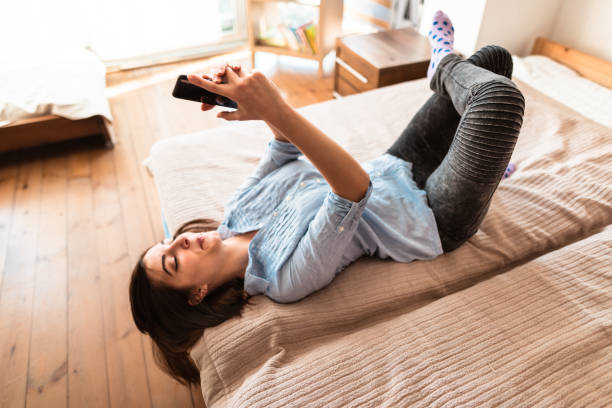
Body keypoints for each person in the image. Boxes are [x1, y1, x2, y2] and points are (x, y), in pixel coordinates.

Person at [129, 10, 525, 385]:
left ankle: (485, 165)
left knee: (494, 59)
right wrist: (278, 108)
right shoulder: (283, 280)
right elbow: (353, 189)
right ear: (197, 295)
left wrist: (254, 103)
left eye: (167, 242)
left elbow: (283, 148)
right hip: (431, 216)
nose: (179, 240)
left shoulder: (237, 210)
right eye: (172, 261)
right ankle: (442, 68)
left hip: (394, 165)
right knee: (499, 101)